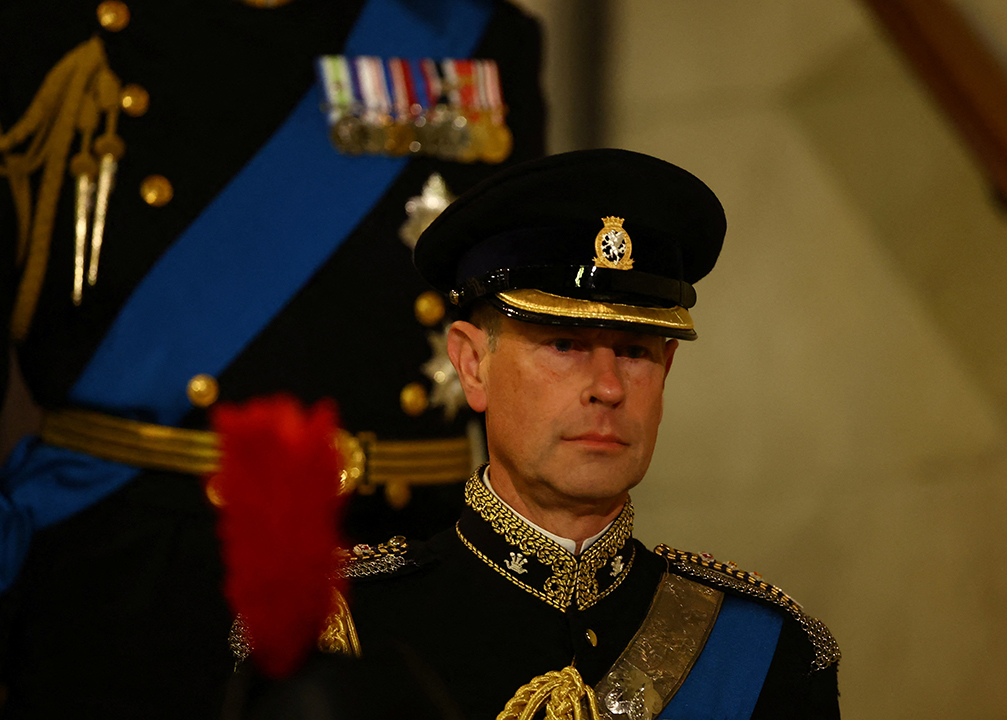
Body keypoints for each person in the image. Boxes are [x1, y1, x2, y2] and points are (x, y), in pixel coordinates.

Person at [0, 0, 544, 716]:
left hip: (416, 580)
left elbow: (529, 363)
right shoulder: (32, 35)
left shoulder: (464, 33)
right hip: (130, 597)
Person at [325, 148, 842, 718]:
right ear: (472, 365)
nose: (609, 386)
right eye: (564, 344)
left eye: (634, 351)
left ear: (666, 371)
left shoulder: (765, 652)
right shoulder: (345, 635)